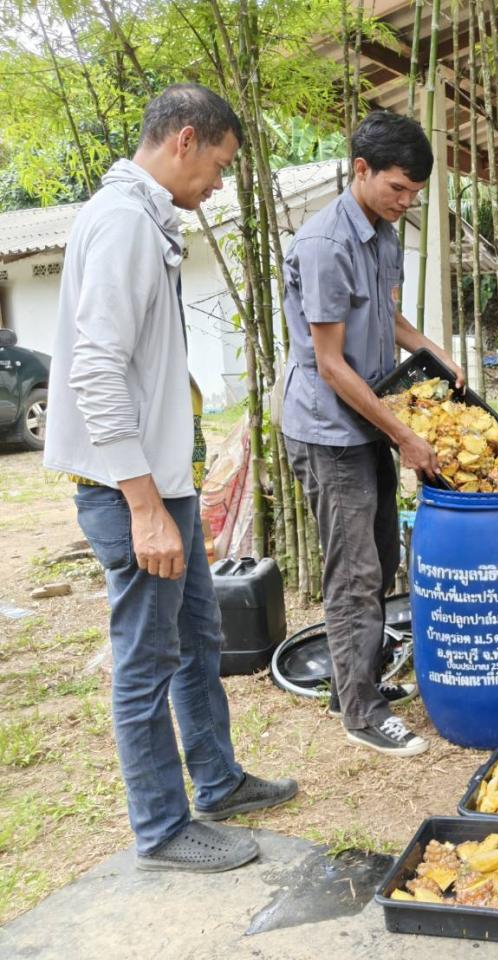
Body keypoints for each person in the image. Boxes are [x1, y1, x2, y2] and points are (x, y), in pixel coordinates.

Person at [44, 84, 298, 873]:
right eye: (218, 166)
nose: (219, 185)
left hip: (166, 486)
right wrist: (145, 504)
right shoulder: (121, 220)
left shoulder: (147, 217)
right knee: (147, 657)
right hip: (133, 494)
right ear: (185, 140)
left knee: (199, 638)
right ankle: (161, 826)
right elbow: (95, 371)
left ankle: (217, 780)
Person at [282, 111, 464, 758]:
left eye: (415, 192)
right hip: (329, 430)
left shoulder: (384, 232)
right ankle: (361, 712)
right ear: (361, 171)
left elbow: (387, 317)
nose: (406, 201)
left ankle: (350, 682)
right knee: (355, 573)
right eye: (398, 189)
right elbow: (331, 364)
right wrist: (407, 438)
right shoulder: (326, 245)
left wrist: (432, 348)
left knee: (382, 558)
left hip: (367, 424)